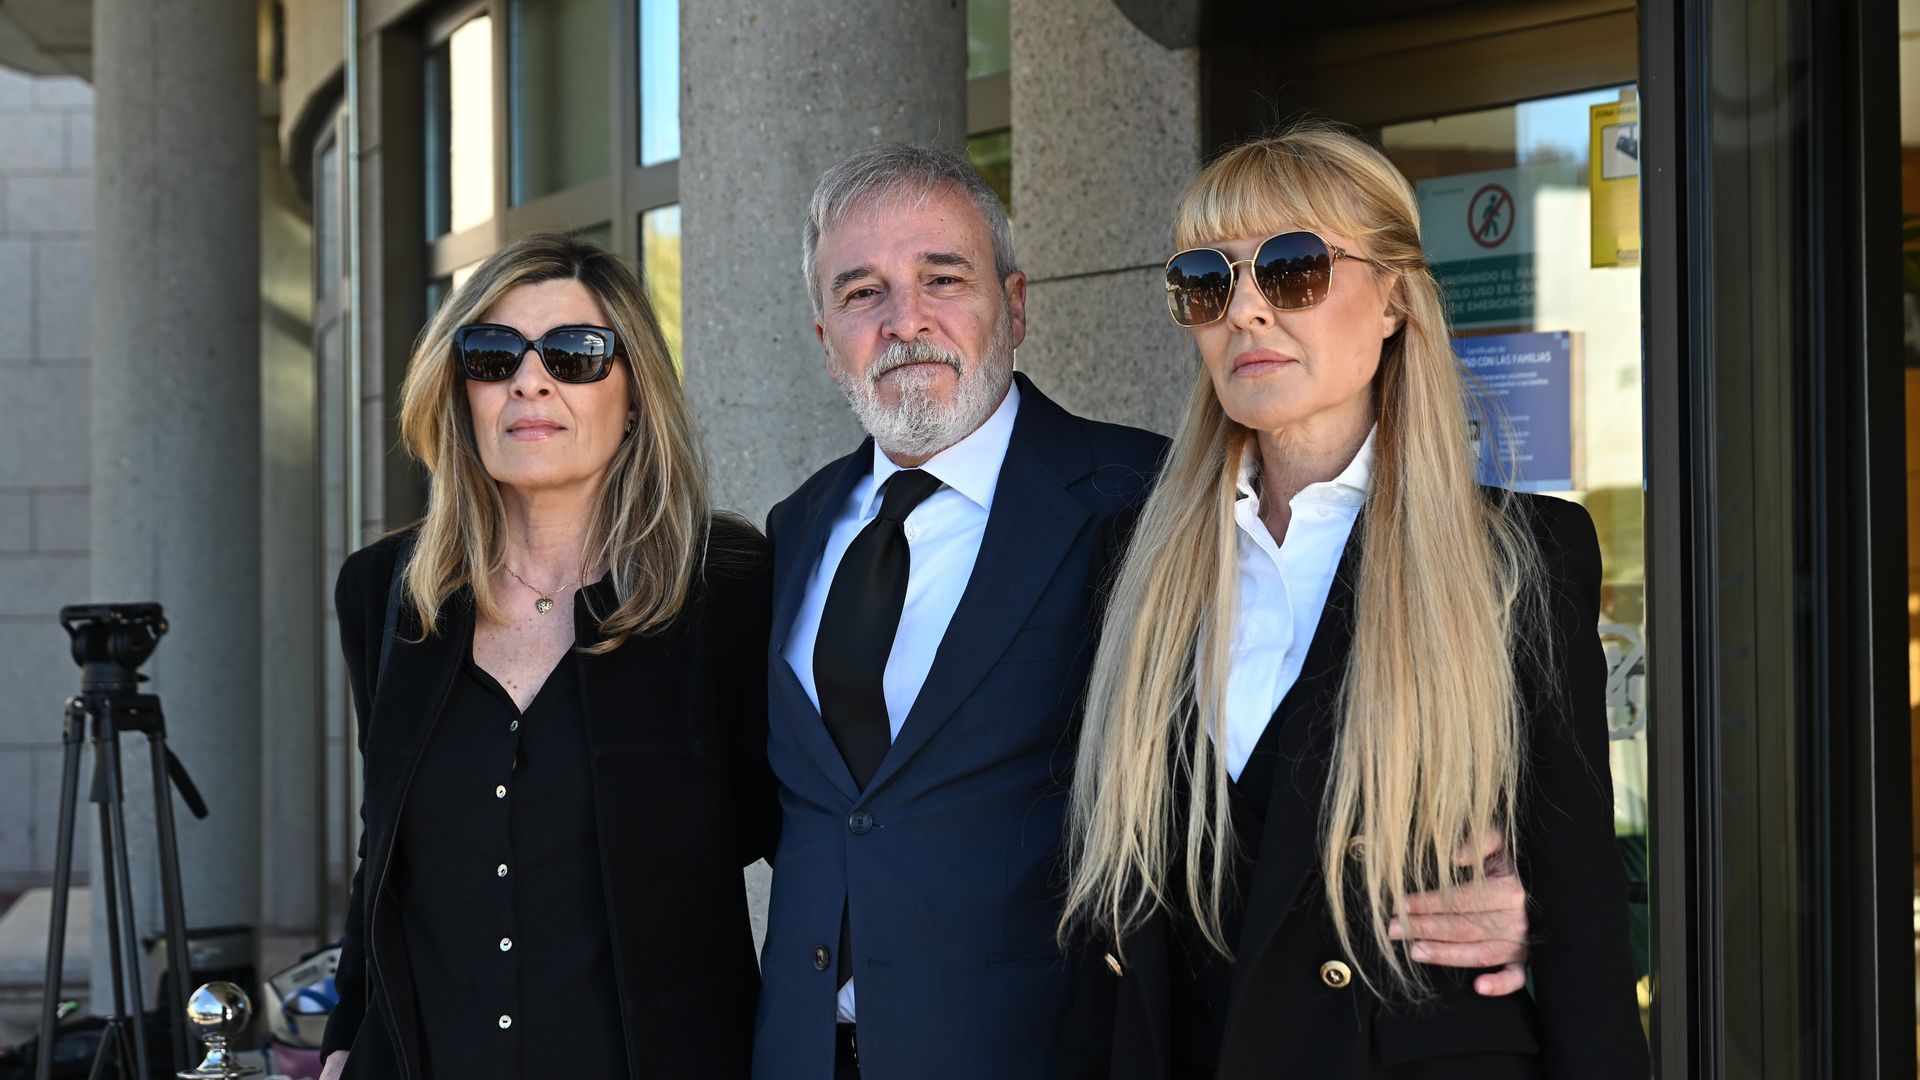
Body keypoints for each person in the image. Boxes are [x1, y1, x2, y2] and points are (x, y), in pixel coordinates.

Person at [755, 145, 1537, 1080]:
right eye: (861, 293)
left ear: (1017, 304)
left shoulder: (1149, 504)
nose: (904, 320)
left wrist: (1538, 901)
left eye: (942, 277)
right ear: (821, 336)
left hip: (1041, 1052)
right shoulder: (796, 528)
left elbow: (1263, 788)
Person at [1056, 123, 1651, 1079]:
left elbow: (1584, 933)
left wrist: (1528, 908)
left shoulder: (1518, 556)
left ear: (1393, 299)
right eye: (1209, 281)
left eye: (1291, 269)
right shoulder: (1138, 567)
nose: (1246, 310)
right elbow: (1109, 933)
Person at [317, 233, 776, 1080]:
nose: (531, 380)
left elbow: (807, 849)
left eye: (574, 354)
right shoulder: (386, 592)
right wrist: (345, 1036)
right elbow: (383, 850)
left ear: (635, 393)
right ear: (460, 392)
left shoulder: (730, 591)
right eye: (492, 355)